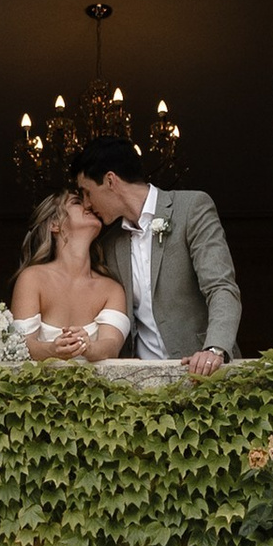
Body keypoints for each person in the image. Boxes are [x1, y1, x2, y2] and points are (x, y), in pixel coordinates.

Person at [73, 134, 240, 376]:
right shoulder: (109, 245)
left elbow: (221, 287)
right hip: (139, 382)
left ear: (110, 181)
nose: (86, 204)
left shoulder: (191, 208)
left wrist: (214, 349)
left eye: (87, 192)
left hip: (203, 375)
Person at [7, 189, 133, 359]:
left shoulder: (112, 289)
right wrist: (52, 351)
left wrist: (89, 348)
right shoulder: (32, 279)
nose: (89, 206)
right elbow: (20, 346)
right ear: (54, 224)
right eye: (76, 202)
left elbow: (112, 345)